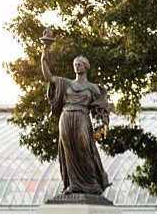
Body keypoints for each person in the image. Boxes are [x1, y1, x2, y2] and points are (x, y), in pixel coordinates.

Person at [39, 28, 112, 197]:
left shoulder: (93, 88)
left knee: (84, 148)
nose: (77, 66)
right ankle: (73, 184)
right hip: (66, 117)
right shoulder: (65, 83)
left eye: (80, 64)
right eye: (75, 64)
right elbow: (49, 77)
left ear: (85, 67)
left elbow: (101, 107)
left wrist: (102, 123)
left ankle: (92, 183)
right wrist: (44, 57)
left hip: (81, 118)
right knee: (69, 150)